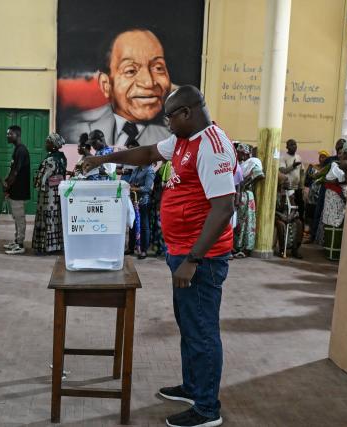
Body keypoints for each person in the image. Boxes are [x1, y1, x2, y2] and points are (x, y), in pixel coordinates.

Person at [83, 85, 236, 427]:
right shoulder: (184, 141)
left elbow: (224, 207)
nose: (167, 123)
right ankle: (192, 387)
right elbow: (149, 153)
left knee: (203, 329)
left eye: (170, 117)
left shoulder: (212, 146)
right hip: (181, 251)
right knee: (189, 324)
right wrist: (104, 158)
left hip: (202, 259)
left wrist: (194, 259)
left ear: (187, 113)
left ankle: (207, 408)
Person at [61, 29, 172, 147]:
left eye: (158, 68)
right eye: (130, 70)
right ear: (106, 84)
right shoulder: (75, 129)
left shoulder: (173, 136)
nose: (148, 82)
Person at [32, 133, 67, 255]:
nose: (46, 144)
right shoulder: (62, 157)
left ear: (53, 145)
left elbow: (42, 177)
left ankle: (46, 246)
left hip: (48, 193)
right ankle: (56, 245)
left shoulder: (50, 160)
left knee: (47, 216)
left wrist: (36, 183)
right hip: (58, 191)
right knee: (56, 217)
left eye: (48, 142)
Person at [3, 125, 31, 255]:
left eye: (10, 134)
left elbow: (15, 172)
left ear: (17, 135)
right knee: (16, 217)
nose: (7, 136)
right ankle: (16, 240)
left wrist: (7, 185)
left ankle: (20, 244)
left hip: (19, 190)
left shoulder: (21, 150)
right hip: (15, 190)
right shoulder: (17, 149)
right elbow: (12, 170)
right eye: (7, 134)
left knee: (19, 218)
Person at [233, 143, 264, 258]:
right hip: (238, 195)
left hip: (246, 196)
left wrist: (245, 182)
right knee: (238, 222)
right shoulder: (239, 165)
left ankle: (244, 248)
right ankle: (236, 247)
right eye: (240, 153)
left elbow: (260, 175)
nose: (241, 155)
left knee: (246, 222)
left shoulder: (252, 163)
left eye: (243, 153)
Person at [311, 139, 345, 242]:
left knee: (334, 216)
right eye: (338, 145)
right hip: (325, 188)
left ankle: (327, 239)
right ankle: (313, 236)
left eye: (342, 145)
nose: (339, 147)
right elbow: (322, 172)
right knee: (319, 210)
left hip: (338, 191)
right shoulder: (330, 160)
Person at [126, 158, 155, 259]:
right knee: (132, 224)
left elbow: (147, 188)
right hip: (133, 200)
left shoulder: (150, 171)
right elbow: (130, 182)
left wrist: (134, 188)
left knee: (144, 226)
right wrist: (133, 186)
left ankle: (143, 250)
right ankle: (131, 247)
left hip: (143, 201)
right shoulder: (136, 169)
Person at [274, 173, 304, 258]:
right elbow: (273, 209)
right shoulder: (274, 193)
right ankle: (282, 249)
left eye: (287, 181)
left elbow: (294, 207)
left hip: (288, 215)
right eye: (285, 182)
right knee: (281, 224)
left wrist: (290, 216)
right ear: (279, 183)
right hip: (278, 215)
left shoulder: (289, 193)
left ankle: (295, 249)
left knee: (299, 223)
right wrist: (282, 216)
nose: (288, 183)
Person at [303, 150, 329, 241]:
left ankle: (316, 234)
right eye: (320, 157)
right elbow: (307, 181)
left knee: (317, 215)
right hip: (312, 196)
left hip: (321, 195)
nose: (322, 159)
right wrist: (306, 192)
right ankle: (309, 233)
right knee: (310, 214)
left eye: (324, 157)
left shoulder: (327, 169)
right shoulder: (313, 167)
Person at [279, 139, 304, 222]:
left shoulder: (298, 157)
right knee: (285, 208)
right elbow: (283, 171)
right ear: (287, 147)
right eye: (292, 145)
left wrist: (302, 186)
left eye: (295, 144)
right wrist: (293, 166)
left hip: (297, 188)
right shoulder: (283, 157)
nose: (294, 146)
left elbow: (302, 172)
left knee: (299, 208)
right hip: (287, 187)